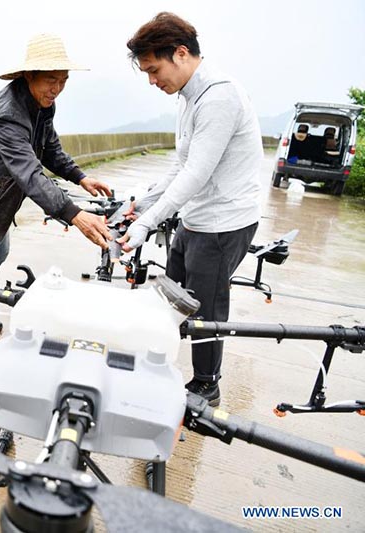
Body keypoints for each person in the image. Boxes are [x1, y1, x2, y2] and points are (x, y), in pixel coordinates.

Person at [119, 12, 262, 406]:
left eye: (153, 69)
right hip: (196, 217)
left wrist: (147, 223)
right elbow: (181, 165)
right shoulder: (187, 96)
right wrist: (143, 202)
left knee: (205, 306)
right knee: (173, 296)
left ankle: (206, 385)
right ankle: (162, 362)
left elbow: (197, 173)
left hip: (222, 223)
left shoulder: (219, 96)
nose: (151, 80)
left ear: (181, 53)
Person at [0, 33, 113, 349]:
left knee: (0, 254)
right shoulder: (8, 114)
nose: (57, 88)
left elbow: (49, 147)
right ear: (29, 76)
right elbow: (30, 174)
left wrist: (80, 177)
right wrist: (74, 215)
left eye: (63, 81)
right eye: (51, 80)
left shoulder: (42, 104)